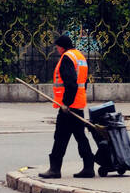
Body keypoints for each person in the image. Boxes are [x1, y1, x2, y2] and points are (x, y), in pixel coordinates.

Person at [39, 34, 96, 179]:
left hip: (68, 107)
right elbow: (83, 82)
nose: (56, 49)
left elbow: (71, 83)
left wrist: (66, 103)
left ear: (62, 46)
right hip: (78, 104)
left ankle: (55, 169)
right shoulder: (80, 57)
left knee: (60, 137)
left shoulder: (66, 58)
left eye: (57, 47)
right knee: (80, 136)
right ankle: (89, 167)